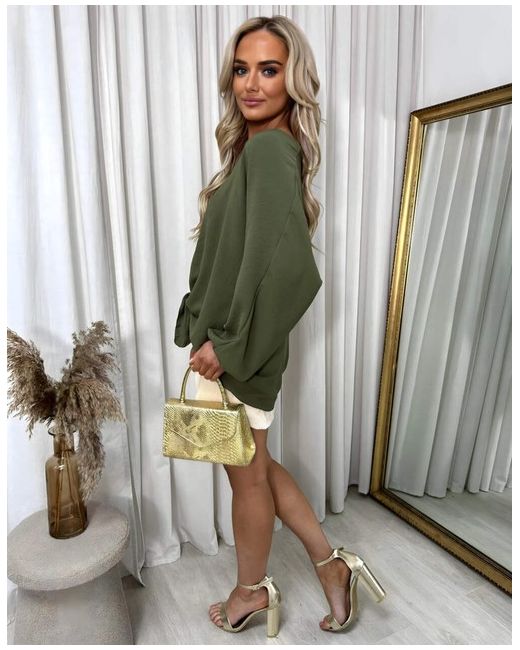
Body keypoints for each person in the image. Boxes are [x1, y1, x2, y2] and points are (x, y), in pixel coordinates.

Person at [174, 15, 385, 637]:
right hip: (231, 344)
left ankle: (250, 591)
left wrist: (226, 344)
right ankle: (331, 564)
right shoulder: (262, 147)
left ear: (292, 80)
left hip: (235, 349)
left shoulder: (270, 149)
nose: (251, 84)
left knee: (246, 478)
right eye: (242, 70)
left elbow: (287, 269)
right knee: (257, 466)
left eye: (269, 70)